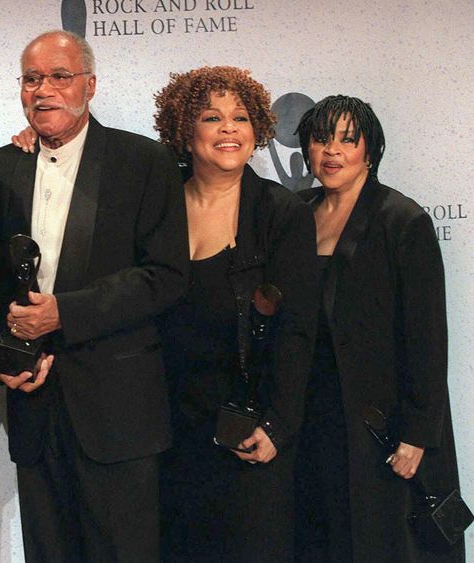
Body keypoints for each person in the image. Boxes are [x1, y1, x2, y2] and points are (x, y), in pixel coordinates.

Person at [0, 30, 188, 562]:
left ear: (90, 85)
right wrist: (6, 352)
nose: (44, 90)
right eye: (32, 78)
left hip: (119, 409)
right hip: (35, 404)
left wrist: (63, 313)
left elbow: (165, 275)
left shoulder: (144, 161)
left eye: (60, 76)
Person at [153, 66, 319, 562]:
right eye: (211, 117)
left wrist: (278, 425)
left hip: (248, 430)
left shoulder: (279, 213)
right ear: (185, 130)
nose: (229, 129)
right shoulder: (154, 205)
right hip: (169, 434)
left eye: (241, 117)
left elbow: (298, 330)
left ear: (258, 131)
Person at [294, 95, 463, 562]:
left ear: (371, 152)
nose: (332, 152)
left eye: (348, 140)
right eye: (321, 139)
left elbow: (428, 338)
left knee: (382, 544)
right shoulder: (295, 213)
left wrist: (418, 434)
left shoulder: (401, 220)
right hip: (315, 415)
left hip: (383, 426)